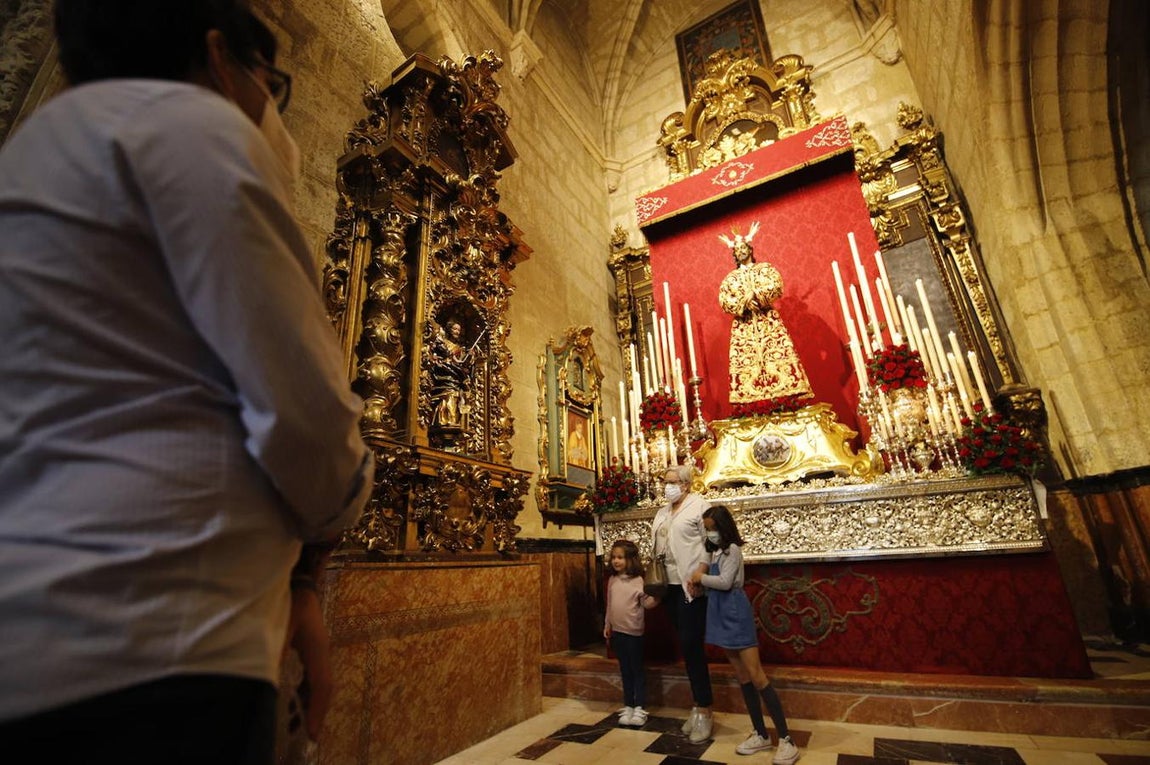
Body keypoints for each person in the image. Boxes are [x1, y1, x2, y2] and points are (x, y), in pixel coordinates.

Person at [0, 2, 372, 762]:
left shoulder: (35, 151)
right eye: (272, 84)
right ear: (220, 58)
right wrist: (336, 510)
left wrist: (298, 585)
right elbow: (304, 414)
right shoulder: (191, 123)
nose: (272, 111)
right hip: (164, 641)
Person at [688, 505, 800, 764]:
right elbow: (715, 586)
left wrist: (699, 577)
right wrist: (699, 589)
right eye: (707, 529)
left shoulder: (732, 550)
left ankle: (786, 739)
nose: (710, 533)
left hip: (735, 612)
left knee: (757, 676)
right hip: (719, 612)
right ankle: (760, 734)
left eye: (713, 528)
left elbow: (726, 582)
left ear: (723, 527)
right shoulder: (715, 552)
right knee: (742, 677)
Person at [650, 463, 714, 742]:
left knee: (692, 645)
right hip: (670, 587)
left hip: (691, 585)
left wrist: (701, 571)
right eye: (665, 481)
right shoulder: (662, 512)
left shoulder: (700, 506)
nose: (668, 486)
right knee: (685, 646)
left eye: (673, 482)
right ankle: (697, 707)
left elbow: (710, 542)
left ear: (686, 484)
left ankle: (705, 709)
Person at [718, 222, 814, 406]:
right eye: (737, 250)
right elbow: (724, 300)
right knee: (748, 365)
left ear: (750, 249)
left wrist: (756, 294)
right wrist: (744, 302)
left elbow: (776, 285)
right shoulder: (730, 279)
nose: (741, 251)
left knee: (777, 356)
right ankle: (752, 403)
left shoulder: (766, 269)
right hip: (744, 326)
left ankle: (787, 396)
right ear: (734, 254)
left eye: (743, 248)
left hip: (768, 322)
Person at [603, 539, 660, 727]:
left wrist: (658, 597)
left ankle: (640, 707)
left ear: (631, 559)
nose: (615, 561)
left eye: (620, 557)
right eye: (614, 557)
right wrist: (607, 624)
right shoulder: (612, 580)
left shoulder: (638, 581)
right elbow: (610, 604)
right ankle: (628, 705)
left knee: (636, 670)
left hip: (634, 633)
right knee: (625, 670)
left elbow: (646, 602)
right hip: (617, 632)